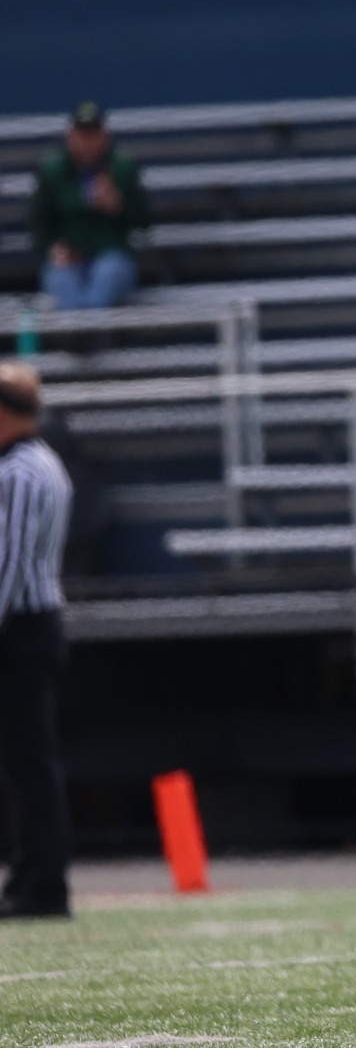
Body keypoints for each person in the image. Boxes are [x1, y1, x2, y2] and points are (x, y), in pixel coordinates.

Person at [0, 363, 76, 919]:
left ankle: (41, 885)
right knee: (26, 764)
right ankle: (30, 878)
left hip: (19, 629)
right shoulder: (40, 463)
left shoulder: (20, 472)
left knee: (29, 765)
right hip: (29, 624)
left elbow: (8, 563)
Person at [31, 101, 150, 313]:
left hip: (111, 255)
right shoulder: (52, 171)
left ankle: (85, 336)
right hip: (68, 257)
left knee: (109, 273)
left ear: (104, 136)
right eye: (82, 134)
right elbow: (38, 223)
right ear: (70, 136)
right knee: (62, 279)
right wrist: (52, 250)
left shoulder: (122, 168)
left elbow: (145, 222)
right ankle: (85, 336)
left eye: (93, 135)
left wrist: (118, 205)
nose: (87, 142)